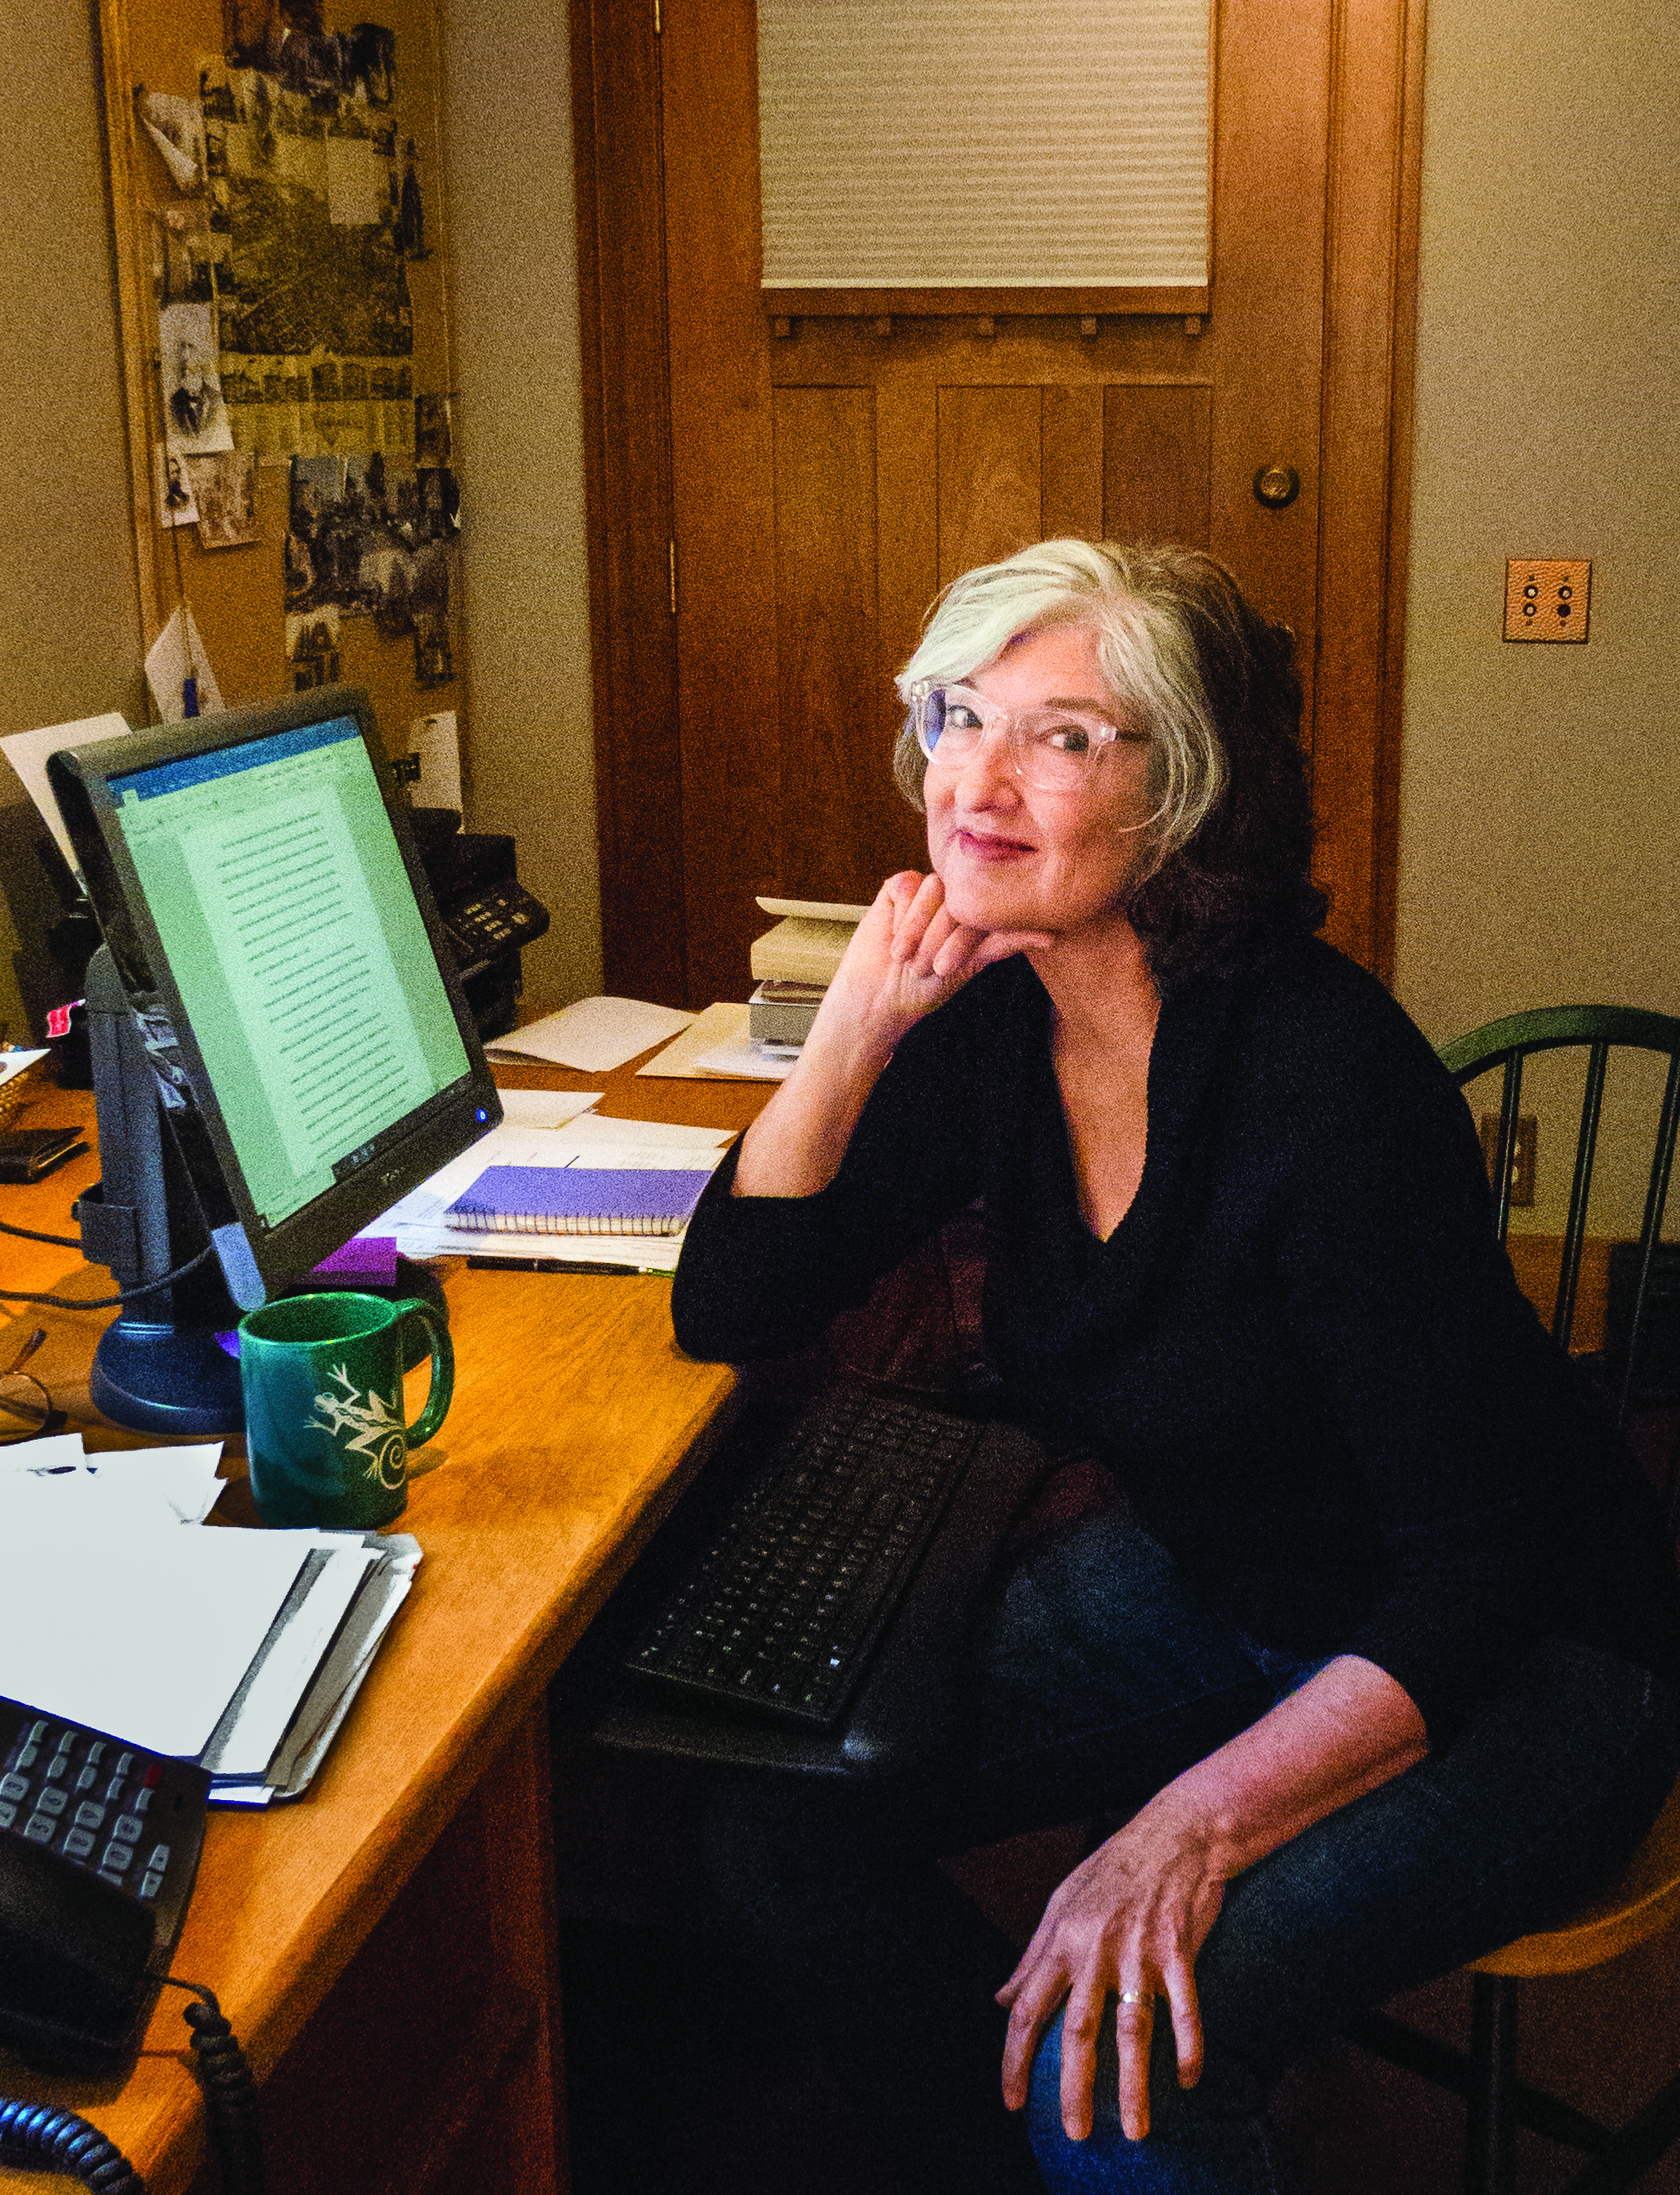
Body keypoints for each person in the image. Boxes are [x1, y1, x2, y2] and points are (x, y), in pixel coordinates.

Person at [670, 540, 1680, 2194]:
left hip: (1524, 1660)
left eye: (1064, 738)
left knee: (1116, 2050)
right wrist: (856, 1020)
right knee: (778, 1824)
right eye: (958, 714)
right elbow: (739, 1295)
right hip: (1240, 1575)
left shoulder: (1325, 1086)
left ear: (1184, 797)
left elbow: (1477, 1576)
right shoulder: (1004, 1009)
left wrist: (1187, 1824)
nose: (975, 782)